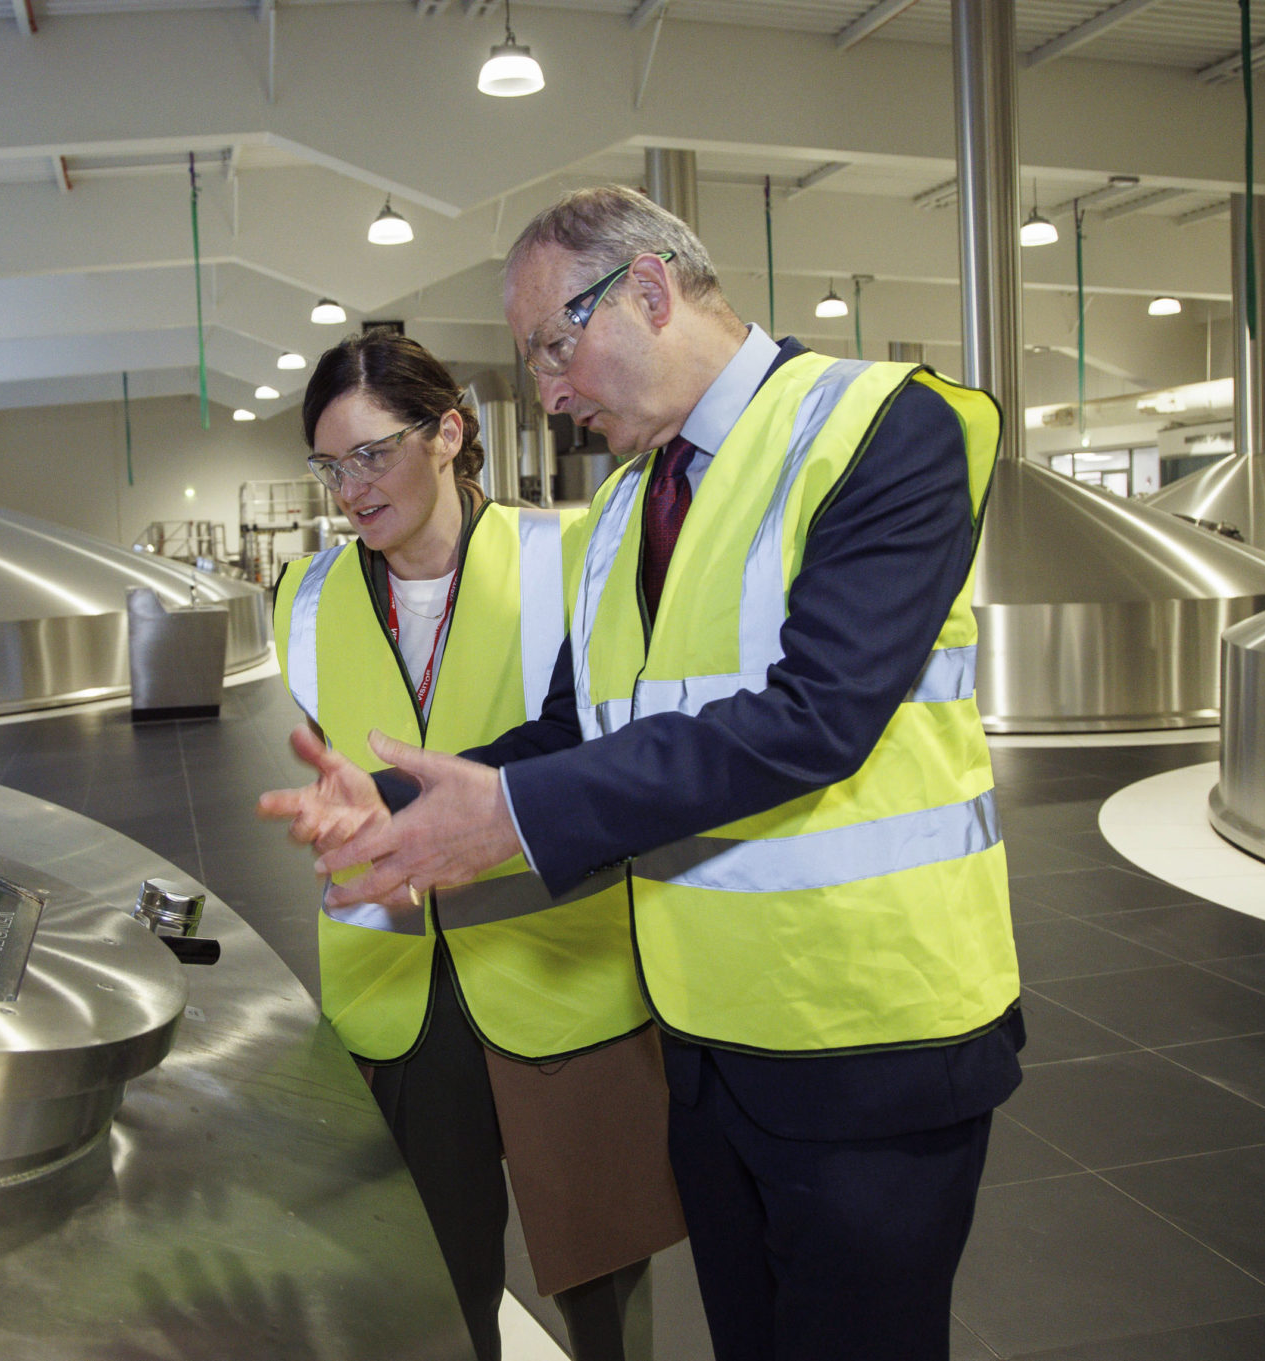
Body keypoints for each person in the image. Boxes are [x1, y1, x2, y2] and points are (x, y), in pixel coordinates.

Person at [259, 187, 1024, 1361]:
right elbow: (580, 722)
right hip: (707, 1041)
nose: (553, 394)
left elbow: (814, 717)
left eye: (555, 349)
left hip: (870, 1039)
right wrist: (408, 805)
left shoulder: (879, 428)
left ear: (651, 290)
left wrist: (513, 818)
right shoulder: (623, 510)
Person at [270, 330, 685, 1361]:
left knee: (606, 1297)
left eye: (371, 453)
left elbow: (601, 741)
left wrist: (406, 797)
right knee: (434, 1298)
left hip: (560, 976)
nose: (349, 490)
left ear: (448, 432)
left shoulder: (570, 558)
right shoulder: (305, 598)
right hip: (392, 989)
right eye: (329, 466)